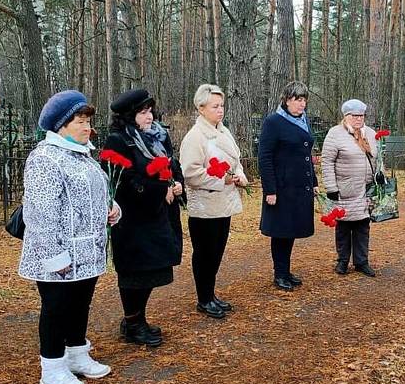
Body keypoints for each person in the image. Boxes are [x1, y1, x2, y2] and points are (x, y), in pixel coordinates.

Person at [19, 90, 120, 384]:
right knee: (56, 308)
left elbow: (94, 195)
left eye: (88, 121)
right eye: (80, 121)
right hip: (58, 252)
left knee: (79, 305)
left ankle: (76, 353)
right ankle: (52, 368)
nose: (87, 127)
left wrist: (112, 209)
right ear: (60, 126)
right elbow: (40, 214)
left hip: (87, 250)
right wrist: (55, 256)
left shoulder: (83, 155)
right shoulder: (45, 158)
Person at [103, 89, 185, 347]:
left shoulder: (158, 137)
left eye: (150, 111)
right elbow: (122, 182)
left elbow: (172, 165)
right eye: (142, 112)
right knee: (135, 273)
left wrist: (177, 183)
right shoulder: (119, 140)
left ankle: (137, 319)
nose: (149, 117)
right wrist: (160, 191)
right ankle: (133, 322)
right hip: (134, 220)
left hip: (158, 216)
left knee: (153, 271)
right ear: (129, 116)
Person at [179, 84, 248, 319]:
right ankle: (204, 298)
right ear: (201, 108)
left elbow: (235, 160)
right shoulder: (195, 137)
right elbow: (190, 173)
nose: (220, 110)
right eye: (215, 106)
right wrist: (221, 179)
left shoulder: (223, 131)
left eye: (222, 106)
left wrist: (239, 176)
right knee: (205, 254)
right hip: (205, 205)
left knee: (217, 252)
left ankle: (210, 294)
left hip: (224, 202)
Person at [258, 81, 318, 291]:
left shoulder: (303, 120)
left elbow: (306, 155)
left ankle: (286, 271)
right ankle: (280, 274)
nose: (302, 104)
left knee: (291, 230)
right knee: (281, 231)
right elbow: (264, 157)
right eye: (297, 99)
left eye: (304, 100)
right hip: (282, 187)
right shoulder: (273, 122)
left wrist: (314, 181)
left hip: (299, 187)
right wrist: (270, 190)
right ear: (286, 100)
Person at [320, 99, 378, 277]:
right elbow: (327, 162)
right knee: (344, 226)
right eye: (355, 116)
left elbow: (377, 158)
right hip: (345, 188)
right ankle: (343, 260)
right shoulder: (335, 134)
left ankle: (362, 261)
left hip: (366, 189)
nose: (359, 119)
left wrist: (379, 175)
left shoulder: (370, 133)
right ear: (346, 116)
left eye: (361, 116)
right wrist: (331, 187)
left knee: (362, 225)